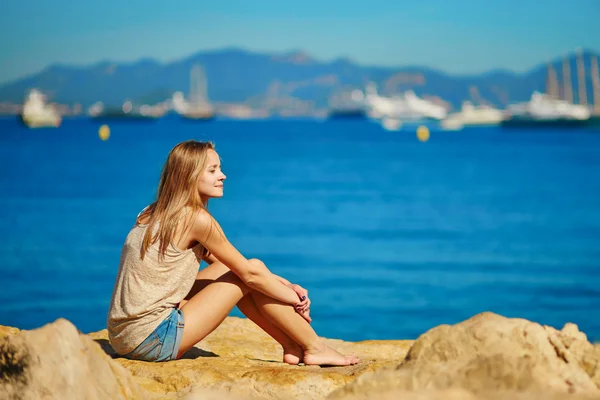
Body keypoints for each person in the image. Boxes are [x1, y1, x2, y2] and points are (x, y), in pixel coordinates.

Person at [107, 140, 359, 366]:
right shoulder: (196, 219)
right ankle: (314, 347)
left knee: (243, 271)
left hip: (123, 337)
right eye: (213, 170)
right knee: (246, 274)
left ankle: (292, 345)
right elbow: (248, 275)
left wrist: (287, 284)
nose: (223, 176)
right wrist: (297, 300)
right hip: (154, 339)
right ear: (189, 175)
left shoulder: (151, 212)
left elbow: (232, 266)